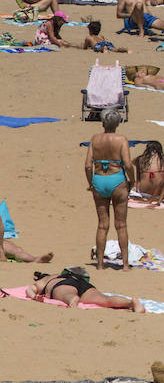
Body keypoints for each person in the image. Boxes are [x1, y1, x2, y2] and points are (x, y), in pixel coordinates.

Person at [84, 110, 132, 271]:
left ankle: (99, 264)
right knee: (121, 225)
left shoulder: (95, 139)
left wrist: (91, 183)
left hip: (99, 179)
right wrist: (132, 179)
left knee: (102, 225)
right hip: (116, 179)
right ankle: (125, 264)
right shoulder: (121, 139)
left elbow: (88, 165)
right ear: (117, 123)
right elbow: (128, 163)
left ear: (103, 123)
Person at [27, 270, 144, 312]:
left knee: (68, 295)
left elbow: (30, 289)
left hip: (62, 285)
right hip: (82, 283)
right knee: (105, 300)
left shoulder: (47, 279)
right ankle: (131, 302)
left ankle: (72, 299)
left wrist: (33, 296)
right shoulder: (62, 274)